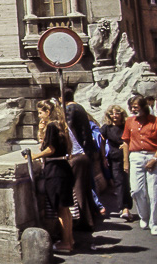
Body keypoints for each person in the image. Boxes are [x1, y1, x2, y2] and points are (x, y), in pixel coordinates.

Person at [28, 100, 76, 253]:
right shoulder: (60, 125)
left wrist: (35, 156)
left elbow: (50, 148)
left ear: (47, 112)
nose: (39, 116)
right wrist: (41, 131)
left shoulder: (51, 126)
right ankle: (69, 239)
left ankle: (65, 243)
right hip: (64, 168)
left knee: (61, 210)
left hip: (55, 169)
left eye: (40, 113)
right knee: (66, 209)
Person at [63, 89, 99, 230]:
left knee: (79, 188)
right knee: (87, 184)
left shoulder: (70, 108)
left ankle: (85, 221)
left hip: (78, 152)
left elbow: (70, 130)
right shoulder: (80, 107)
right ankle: (93, 213)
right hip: (86, 150)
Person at [122, 94, 157, 234]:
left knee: (153, 192)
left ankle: (154, 223)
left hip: (152, 156)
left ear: (144, 107)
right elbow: (126, 141)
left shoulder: (154, 121)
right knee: (136, 190)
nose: (132, 110)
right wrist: (126, 162)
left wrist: (154, 159)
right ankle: (144, 216)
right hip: (135, 156)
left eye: (135, 107)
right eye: (131, 107)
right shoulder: (130, 121)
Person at [101, 104, 134, 221]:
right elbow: (102, 142)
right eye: (112, 113)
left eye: (117, 113)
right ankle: (124, 208)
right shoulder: (106, 127)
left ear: (122, 114)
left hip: (129, 157)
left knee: (129, 183)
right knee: (119, 183)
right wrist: (103, 157)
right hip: (114, 158)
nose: (114, 116)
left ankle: (131, 206)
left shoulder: (126, 125)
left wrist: (126, 145)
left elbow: (133, 138)